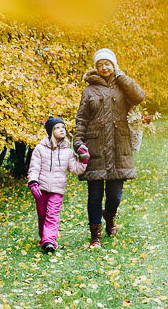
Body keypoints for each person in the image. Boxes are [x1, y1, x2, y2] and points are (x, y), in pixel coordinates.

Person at [73, 48, 145, 248]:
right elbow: (82, 119)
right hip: (94, 146)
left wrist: (122, 78)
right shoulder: (89, 90)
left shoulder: (123, 85)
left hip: (119, 145)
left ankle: (110, 215)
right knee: (94, 194)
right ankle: (95, 234)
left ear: (114, 65)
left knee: (115, 194)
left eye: (108, 63)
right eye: (100, 64)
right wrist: (78, 142)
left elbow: (139, 97)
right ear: (96, 68)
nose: (104, 67)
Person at [27, 117, 89, 253]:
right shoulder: (40, 149)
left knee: (52, 215)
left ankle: (49, 241)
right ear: (51, 132)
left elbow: (75, 169)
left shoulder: (67, 152)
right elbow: (34, 168)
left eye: (63, 127)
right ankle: (44, 236)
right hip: (41, 188)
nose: (62, 130)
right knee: (42, 214)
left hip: (57, 189)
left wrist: (84, 160)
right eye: (57, 128)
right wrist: (33, 182)